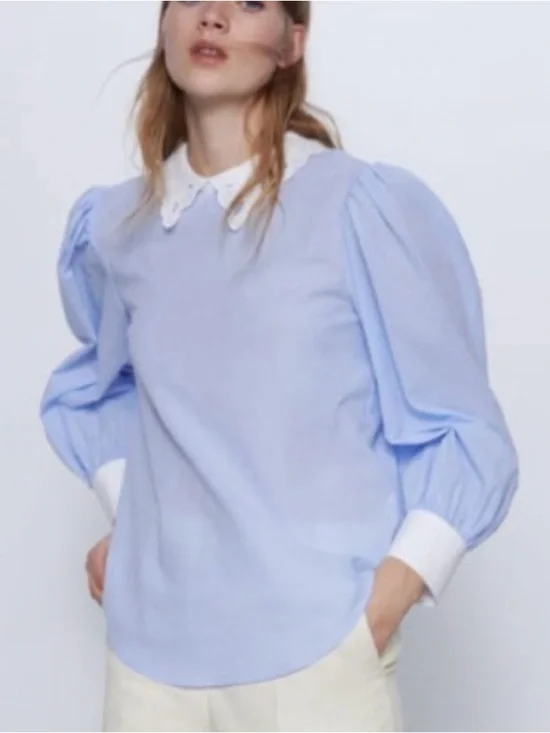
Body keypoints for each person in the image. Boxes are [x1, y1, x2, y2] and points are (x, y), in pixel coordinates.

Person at [40, 2, 519, 731]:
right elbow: (103, 388)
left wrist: (386, 601)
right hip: (148, 668)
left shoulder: (356, 206)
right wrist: (136, 516)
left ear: (292, 43)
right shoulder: (119, 225)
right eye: (191, 0)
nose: (214, 17)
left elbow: (463, 424)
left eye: (250, 3)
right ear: (164, 25)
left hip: (317, 658)